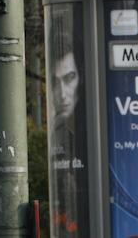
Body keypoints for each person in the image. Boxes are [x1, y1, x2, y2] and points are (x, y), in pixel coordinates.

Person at [49, 26, 88, 235]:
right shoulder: (58, 133)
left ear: (81, 78)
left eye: (69, 78)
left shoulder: (87, 133)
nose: (62, 94)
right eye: (56, 82)